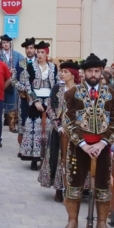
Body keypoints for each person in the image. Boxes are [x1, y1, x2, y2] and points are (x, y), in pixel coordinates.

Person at [61, 53, 114, 228]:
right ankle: (72, 221)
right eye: (90, 71)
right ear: (84, 72)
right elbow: (68, 120)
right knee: (74, 183)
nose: (93, 74)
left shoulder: (110, 93)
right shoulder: (72, 92)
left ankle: (102, 223)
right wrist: (84, 144)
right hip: (79, 146)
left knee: (103, 184)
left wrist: (103, 142)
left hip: (102, 146)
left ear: (101, 72)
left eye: (97, 70)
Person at [39, 60, 80, 202]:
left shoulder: (80, 90)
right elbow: (50, 108)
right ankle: (58, 188)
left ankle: (74, 188)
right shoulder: (57, 88)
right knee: (58, 157)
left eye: (65, 72)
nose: (62, 74)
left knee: (74, 158)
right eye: (61, 71)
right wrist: (59, 126)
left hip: (76, 131)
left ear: (73, 74)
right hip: (59, 130)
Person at [19, 41, 58, 170]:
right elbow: (27, 85)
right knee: (34, 127)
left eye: (42, 52)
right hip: (35, 99)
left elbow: (56, 85)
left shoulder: (53, 67)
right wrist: (35, 101)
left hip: (49, 99)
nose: (40, 55)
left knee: (48, 127)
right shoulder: (30, 66)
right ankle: (34, 158)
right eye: (38, 52)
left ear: (47, 54)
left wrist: (51, 101)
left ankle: (45, 157)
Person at [12, 37, 37, 151]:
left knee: (35, 122)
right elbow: (13, 80)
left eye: (31, 48)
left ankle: (35, 149)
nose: (29, 50)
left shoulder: (39, 63)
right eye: (27, 48)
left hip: (37, 99)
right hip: (23, 98)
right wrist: (23, 88)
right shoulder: (21, 63)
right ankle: (22, 149)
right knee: (23, 121)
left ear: (34, 49)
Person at [0, 34, 25, 134]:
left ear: (10, 43)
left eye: (7, 43)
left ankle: (12, 125)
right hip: (1, 81)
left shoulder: (17, 55)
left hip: (13, 81)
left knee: (12, 102)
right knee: (0, 102)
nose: (5, 45)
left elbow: (24, 66)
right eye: (3, 43)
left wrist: (16, 71)